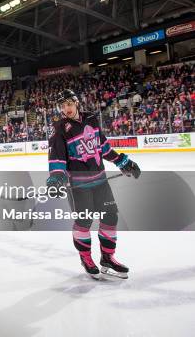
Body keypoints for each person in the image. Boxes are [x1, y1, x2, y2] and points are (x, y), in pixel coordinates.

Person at [47, 89, 141, 280]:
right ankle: (86, 258)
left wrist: (122, 162)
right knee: (84, 222)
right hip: (79, 186)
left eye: (70, 104)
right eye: (63, 106)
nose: (67, 108)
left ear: (76, 103)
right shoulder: (59, 129)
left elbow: (103, 146)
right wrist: (56, 178)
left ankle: (107, 258)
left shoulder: (91, 118)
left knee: (110, 218)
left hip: (100, 181)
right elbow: (57, 159)